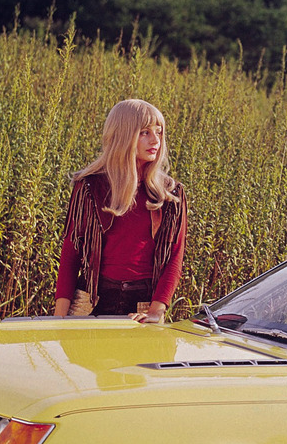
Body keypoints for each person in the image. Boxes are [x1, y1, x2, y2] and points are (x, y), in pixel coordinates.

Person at [53, 99, 187, 323]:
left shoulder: (170, 193)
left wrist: (156, 310)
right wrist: (59, 316)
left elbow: (175, 256)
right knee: (82, 359)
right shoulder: (89, 187)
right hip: (91, 300)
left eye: (159, 132)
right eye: (144, 132)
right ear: (123, 135)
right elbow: (71, 252)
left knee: (140, 360)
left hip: (143, 306)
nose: (155, 140)